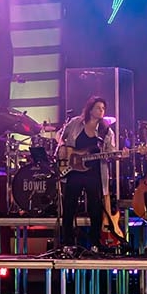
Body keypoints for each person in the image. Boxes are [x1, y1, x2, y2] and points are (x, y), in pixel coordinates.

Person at [57, 96, 116, 252]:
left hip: (94, 173)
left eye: (103, 108)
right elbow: (60, 135)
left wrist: (117, 154)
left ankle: (95, 243)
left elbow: (110, 152)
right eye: (98, 108)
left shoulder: (106, 131)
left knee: (95, 207)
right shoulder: (76, 123)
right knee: (69, 206)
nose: (101, 111)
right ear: (90, 109)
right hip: (74, 171)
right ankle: (68, 242)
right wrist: (63, 148)